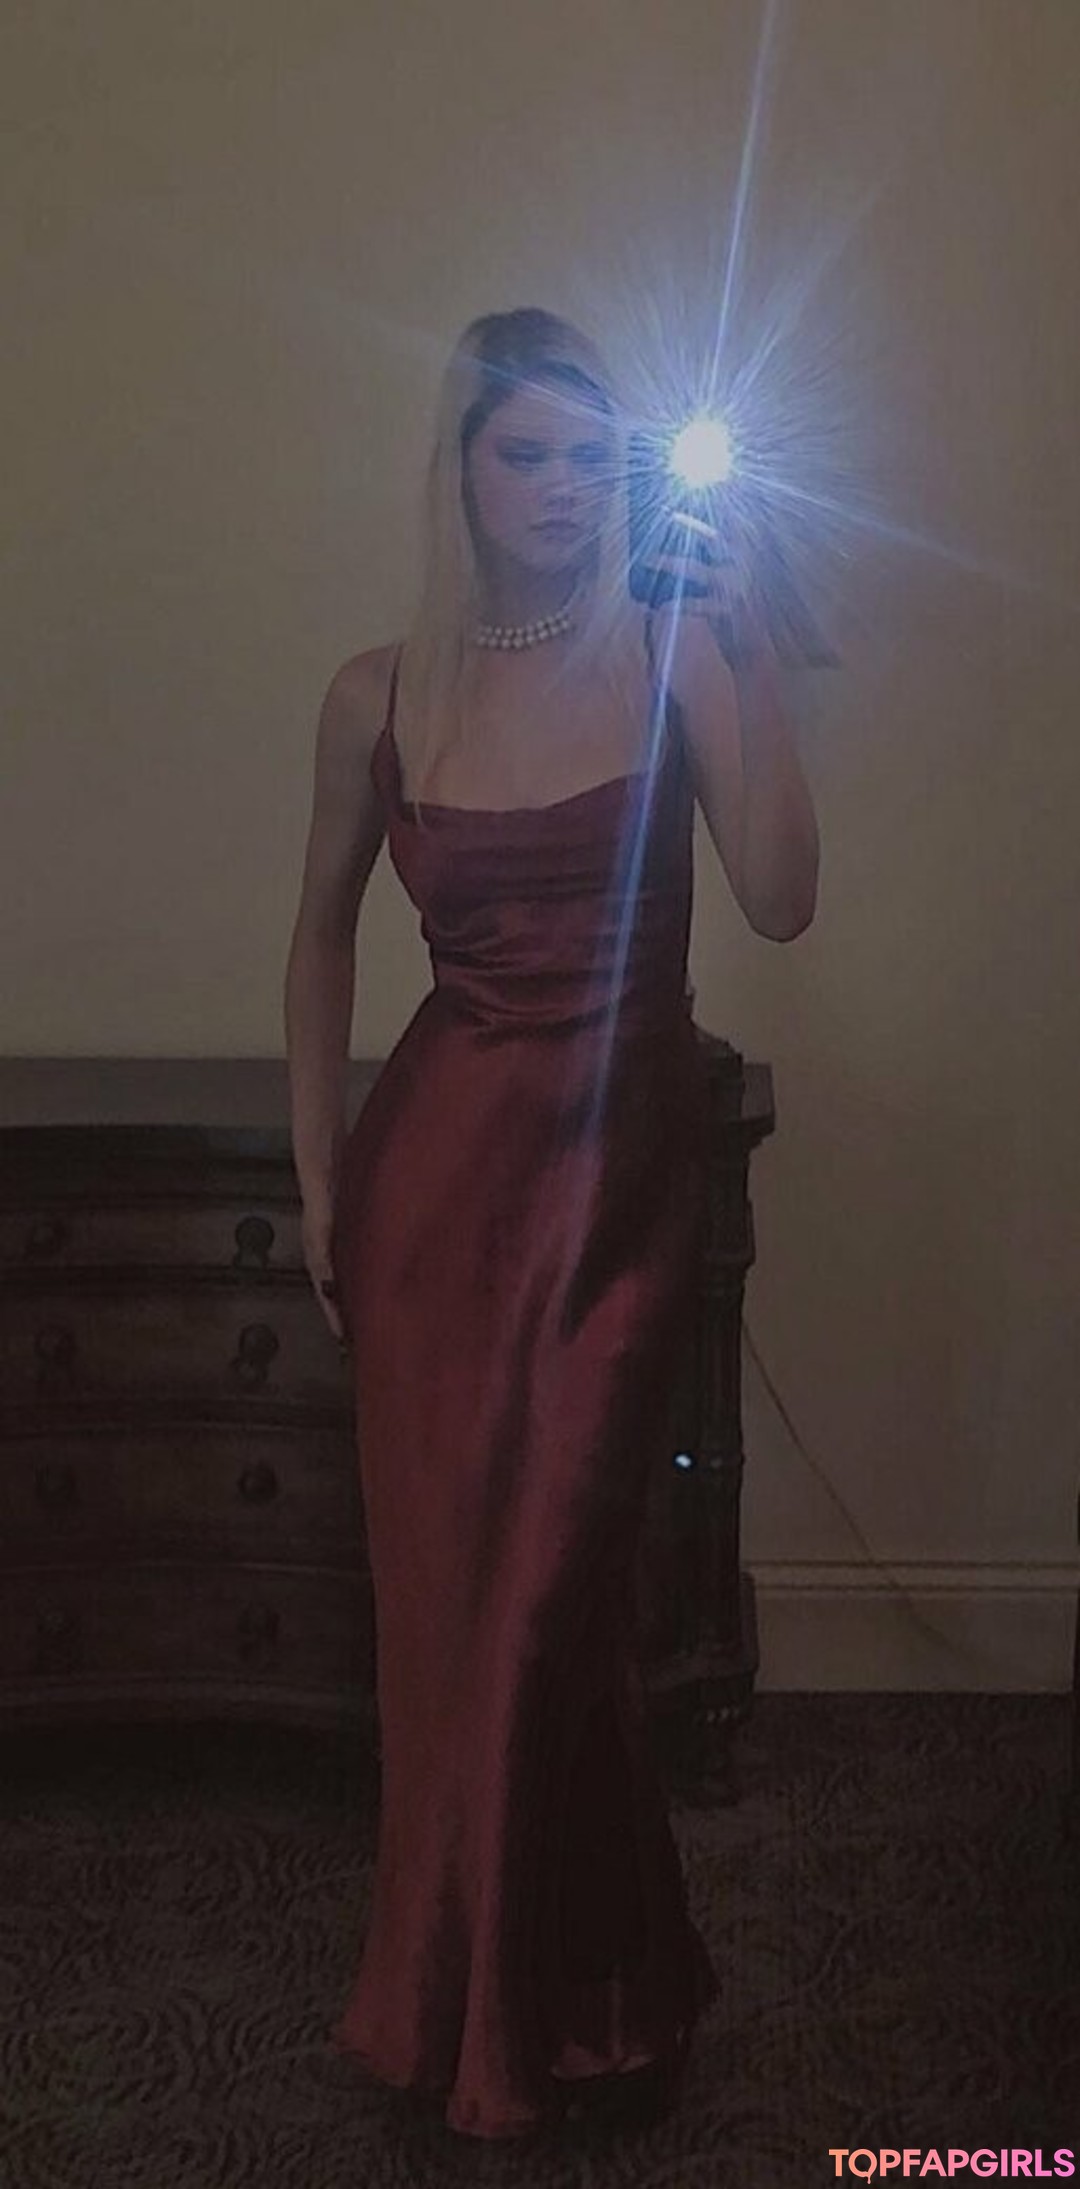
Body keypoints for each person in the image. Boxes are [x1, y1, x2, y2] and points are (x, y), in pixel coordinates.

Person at [283, 307, 820, 2142]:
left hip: (618, 1193)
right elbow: (320, 939)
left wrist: (751, 637)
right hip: (434, 1196)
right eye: (530, 455)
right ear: (460, 471)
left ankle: (502, 2020)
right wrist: (319, 1175)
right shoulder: (376, 694)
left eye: (597, 459)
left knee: (541, 1600)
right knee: (459, 1616)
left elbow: (785, 896)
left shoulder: (678, 647)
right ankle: (583, 1997)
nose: (569, 490)